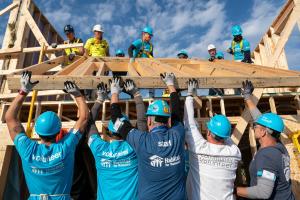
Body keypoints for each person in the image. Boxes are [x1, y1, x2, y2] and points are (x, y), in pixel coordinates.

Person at [5, 71, 89, 199]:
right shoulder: (65, 147)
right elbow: (84, 118)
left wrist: (23, 91)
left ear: (37, 132)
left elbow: (10, 118)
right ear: (58, 132)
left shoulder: (28, 149)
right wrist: (77, 94)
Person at [109, 73, 186, 200]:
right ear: (169, 122)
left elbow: (115, 119)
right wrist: (171, 85)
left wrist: (114, 92)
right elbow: (177, 113)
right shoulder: (177, 135)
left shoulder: (142, 141)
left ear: (149, 121)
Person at [86, 79, 147, 200]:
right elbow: (142, 122)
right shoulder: (134, 146)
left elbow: (89, 123)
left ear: (108, 133)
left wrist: (99, 99)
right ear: (126, 129)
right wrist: (136, 95)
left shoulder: (99, 148)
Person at [236, 80, 295, 200]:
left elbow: (263, 193)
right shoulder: (278, 146)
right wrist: (247, 97)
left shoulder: (267, 155)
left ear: (263, 132)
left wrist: (234, 190)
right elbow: (259, 119)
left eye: (255, 126)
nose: (253, 127)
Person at [184, 78, 241, 200]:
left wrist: (189, 95)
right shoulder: (234, 153)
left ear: (208, 132)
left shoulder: (198, 148)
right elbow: (227, 138)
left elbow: (189, 123)